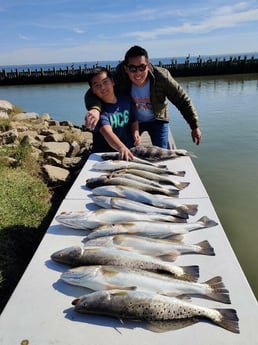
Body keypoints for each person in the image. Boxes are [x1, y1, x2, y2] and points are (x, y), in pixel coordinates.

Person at [85, 45, 202, 148]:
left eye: (142, 67)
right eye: (133, 68)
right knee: (130, 152)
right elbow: (93, 91)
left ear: (148, 65)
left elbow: (182, 99)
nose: (138, 73)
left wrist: (194, 125)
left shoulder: (162, 77)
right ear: (126, 68)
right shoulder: (119, 77)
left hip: (157, 120)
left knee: (162, 153)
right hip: (132, 121)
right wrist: (95, 109)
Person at [86, 67, 140, 160]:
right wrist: (121, 148)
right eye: (97, 85)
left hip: (128, 150)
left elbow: (133, 120)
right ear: (93, 91)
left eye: (105, 82)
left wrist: (136, 131)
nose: (102, 87)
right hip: (104, 154)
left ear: (112, 82)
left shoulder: (126, 99)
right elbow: (107, 132)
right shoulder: (99, 113)